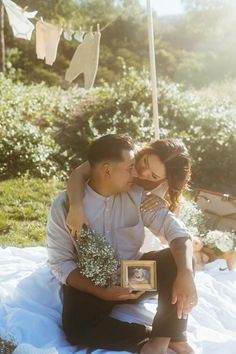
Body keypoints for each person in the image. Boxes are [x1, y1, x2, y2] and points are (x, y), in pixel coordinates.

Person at [47, 134, 197, 354]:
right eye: (132, 167)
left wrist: (186, 272)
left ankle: (163, 339)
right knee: (76, 329)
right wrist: (102, 292)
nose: (137, 172)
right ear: (108, 170)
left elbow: (178, 233)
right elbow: (61, 263)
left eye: (151, 174)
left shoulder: (139, 196)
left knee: (180, 261)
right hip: (92, 279)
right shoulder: (66, 205)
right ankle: (147, 335)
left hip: (134, 275)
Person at [66, 138, 191, 239]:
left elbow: (166, 223)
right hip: (95, 208)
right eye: (145, 161)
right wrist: (76, 207)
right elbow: (78, 174)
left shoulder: (164, 186)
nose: (142, 171)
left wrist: (163, 203)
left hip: (131, 230)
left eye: (153, 175)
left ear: (165, 180)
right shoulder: (126, 154)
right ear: (147, 150)